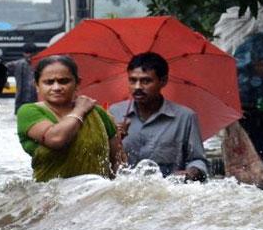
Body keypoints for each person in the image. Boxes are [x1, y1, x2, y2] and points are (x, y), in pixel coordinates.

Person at [16, 55, 126, 181]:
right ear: (37, 85)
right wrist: (80, 110)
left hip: (96, 196)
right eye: (49, 82)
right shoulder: (29, 112)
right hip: (50, 197)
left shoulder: (97, 113)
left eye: (64, 81)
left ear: (77, 83)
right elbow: (56, 139)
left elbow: (118, 162)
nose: (56, 88)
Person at [108, 52, 207, 181]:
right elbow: (102, 160)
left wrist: (191, 172)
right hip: (125, 192)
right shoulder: (114, 113)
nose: (137, 87)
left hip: (168, 191)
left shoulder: (185, 117)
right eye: (132, 80)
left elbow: (198, 160)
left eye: (146, 81)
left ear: (163, 81)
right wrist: (115, 140)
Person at [6, 42, 38, 114]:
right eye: (27, 53)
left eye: (32, 53)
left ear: (36, 53)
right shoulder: (17, 64)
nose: (29, 55)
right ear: (23, 54)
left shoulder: (41, 64)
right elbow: (2, 69)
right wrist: (4, 81)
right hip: (22, 100)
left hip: (38, 100)